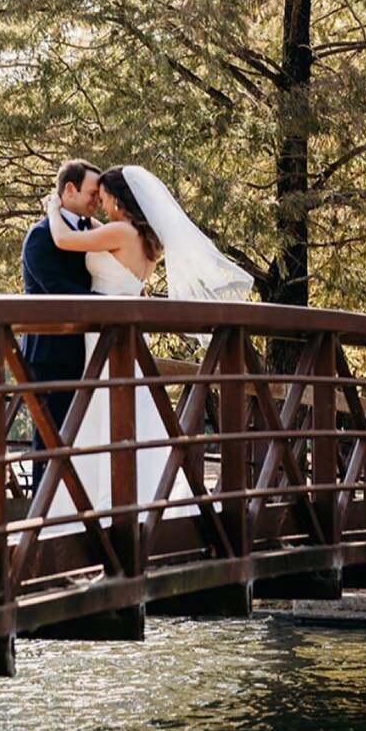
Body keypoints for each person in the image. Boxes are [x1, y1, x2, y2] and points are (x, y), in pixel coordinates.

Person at [38, 163, 253, 518]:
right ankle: (137, 503)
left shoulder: (120, 234)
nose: (102, 207)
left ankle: (100, 507)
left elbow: (63, 239)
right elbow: (95, 233)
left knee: (102, 418)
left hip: (106, 336)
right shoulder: (145, 240)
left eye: (105, 199)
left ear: (121, 202)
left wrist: (51, 208)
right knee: (127, 416)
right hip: (126, 338)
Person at [19, 158, 101, 491]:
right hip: (51, 354)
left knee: (83, 439)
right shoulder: (40, 236)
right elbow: (58, 290)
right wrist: (113, 303)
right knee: (50, 438)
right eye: (93, 193)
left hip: (87, 352)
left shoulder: (88, 232)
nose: (97, 200)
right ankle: (43, 519)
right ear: (69, 189)